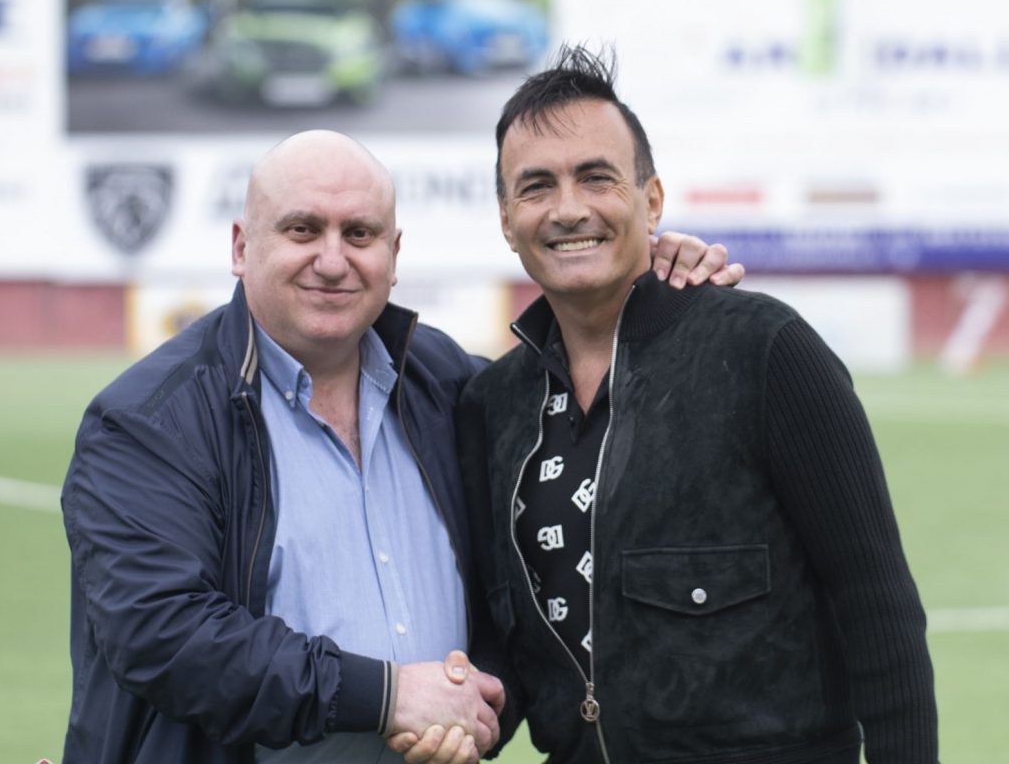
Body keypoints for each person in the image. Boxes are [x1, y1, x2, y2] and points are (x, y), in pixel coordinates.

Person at [60, 129, 742, 764]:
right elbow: (163, 634)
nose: (333, 260)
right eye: (302, 230)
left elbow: (530, 566)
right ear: (241, 247)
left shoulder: (452, 386)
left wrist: (645, 286)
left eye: (359, 233)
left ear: (393, 255)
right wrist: (386, 696)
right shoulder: (146, 422)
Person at [443, 46, 938, 763]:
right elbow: (515, 649)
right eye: (537, 186)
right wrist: (470, 712)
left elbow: (879, 608)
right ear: (505, 217)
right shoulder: (492, 405)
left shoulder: (765, 351)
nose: (569, 209)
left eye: (596, 177)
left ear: (651, 201)